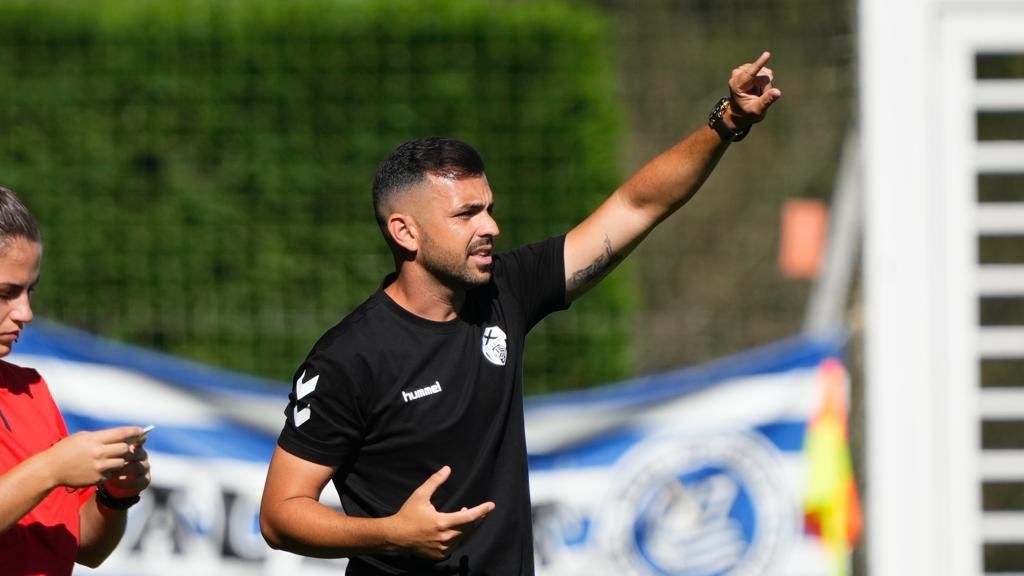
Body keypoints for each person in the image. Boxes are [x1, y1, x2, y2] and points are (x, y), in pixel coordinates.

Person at [260, 52, 781, 575]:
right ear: (405, 232)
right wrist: (393, 534)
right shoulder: (348, 359)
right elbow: (280, 515)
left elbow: (636, 206)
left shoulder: (504, 291)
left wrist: (728, 122)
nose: (491, 227)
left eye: (488, 207)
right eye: (466, 214)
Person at [0, 187, 152, 575]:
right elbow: (49, 472)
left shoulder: (30, 389)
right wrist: (51, 469)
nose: (25, 313)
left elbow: (85, 546)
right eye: (6, 293)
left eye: (30, 291)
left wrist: (114, 494)